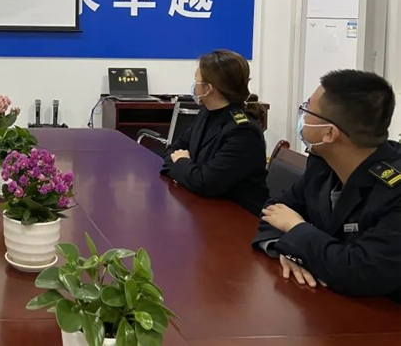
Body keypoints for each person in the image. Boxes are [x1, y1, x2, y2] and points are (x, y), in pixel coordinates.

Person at [253, 70, 400, 301]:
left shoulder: (394, 190)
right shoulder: (322, 163)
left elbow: (360, 270)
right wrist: (290, 250)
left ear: (330, 133)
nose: (302, 115)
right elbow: (274, 210)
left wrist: (296, 229)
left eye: (307, 110)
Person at [160, 49, 268, 216]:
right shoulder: (206, 112)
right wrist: (188, 169)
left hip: (238, 216)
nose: (194, 86)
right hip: (204, 207)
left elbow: (206, 183)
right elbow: (172, 150)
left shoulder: (243, 131)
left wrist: (181, 162)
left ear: (209, 88)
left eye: (197, 81)